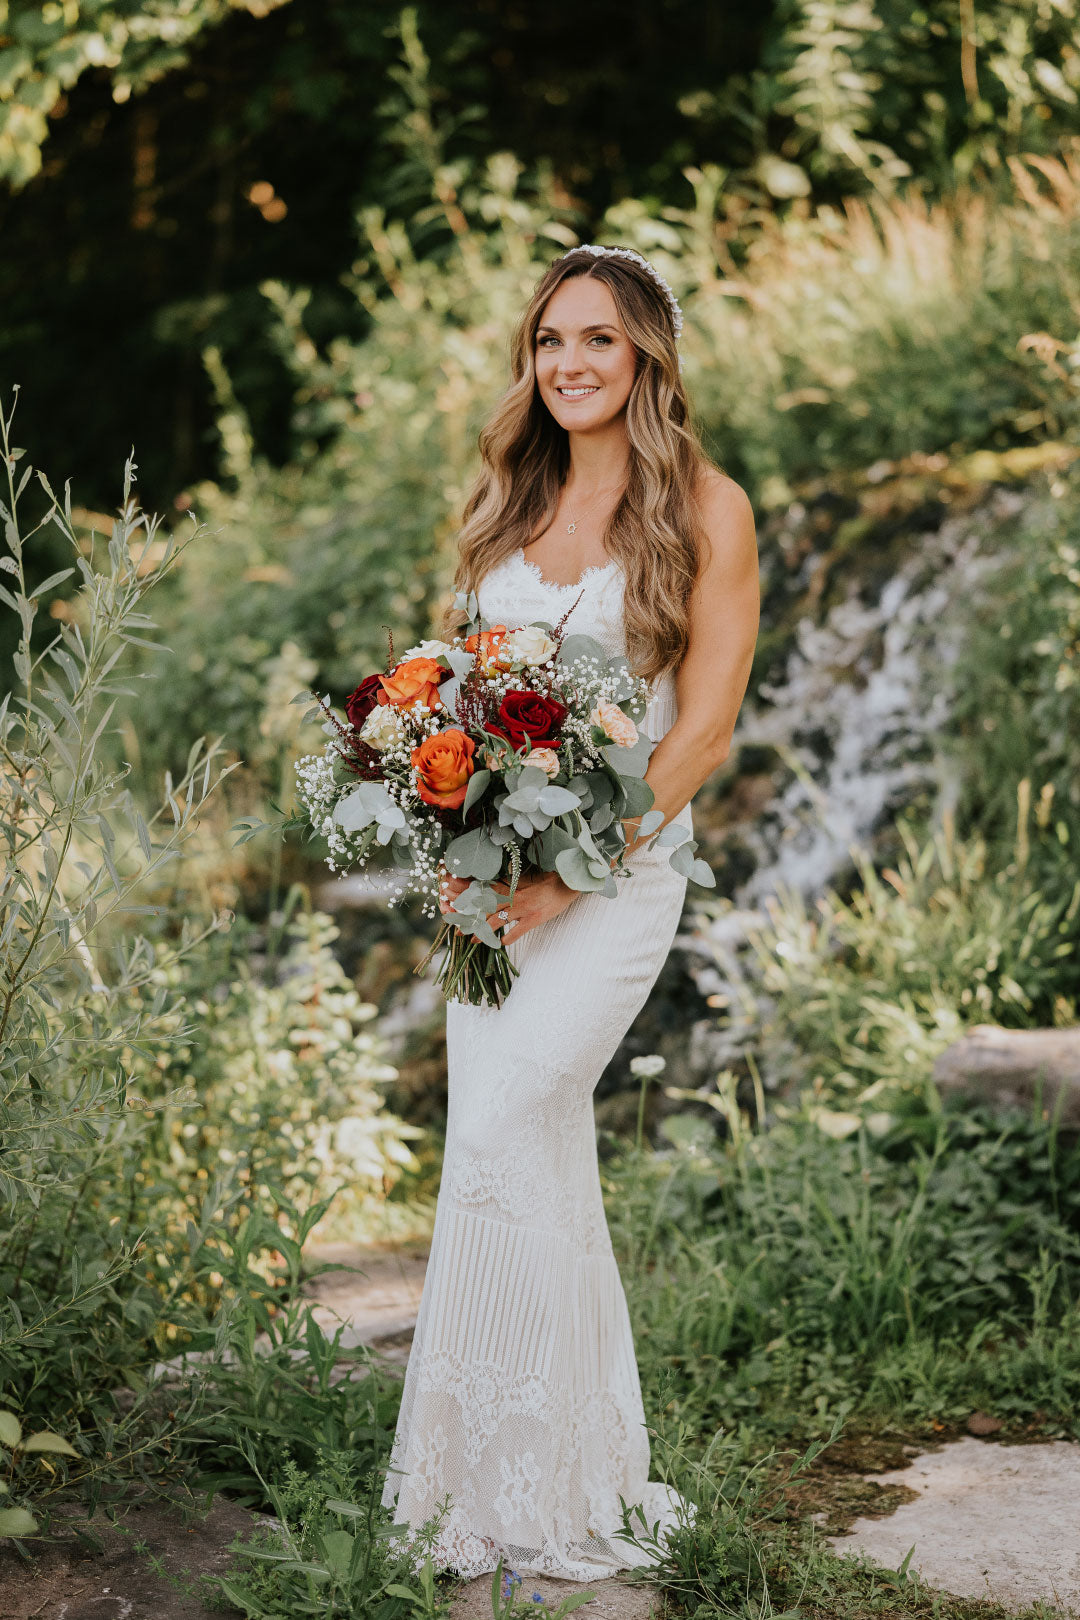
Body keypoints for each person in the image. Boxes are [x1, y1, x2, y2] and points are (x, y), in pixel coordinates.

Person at [381, 243, 759, 1582]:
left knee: (506, 1127)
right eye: (549, 343)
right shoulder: (510, 503)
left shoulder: (708, 506)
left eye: (596, 339)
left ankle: (555, 1495)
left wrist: (570, 874)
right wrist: (457, 838)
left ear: (645, 353)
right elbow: (464, 697)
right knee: (521, 1165)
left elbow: (702, 729)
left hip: (614, 888)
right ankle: (511, 1482)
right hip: (495, 895)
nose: (570, 364)